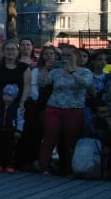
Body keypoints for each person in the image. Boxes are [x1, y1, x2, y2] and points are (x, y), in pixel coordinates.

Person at [37, 46, 92, 176]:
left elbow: (86, 84)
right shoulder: (56, 72)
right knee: (49, 137)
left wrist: (72, 72)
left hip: (74, 109)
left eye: (69, 56)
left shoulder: (85, 72)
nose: (66, 58)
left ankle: (70, 169)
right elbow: (42, 82)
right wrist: (46, 68)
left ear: (76, 57)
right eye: (64, 56)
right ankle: (44, 167)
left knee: (71, 140)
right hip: (54, 107)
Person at [0, 84, 24, 173]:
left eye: (9, 95)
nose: (6, 97)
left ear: (14, 97)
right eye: (4, 94)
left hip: (10, 131)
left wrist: (19, 130)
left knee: (10, 149)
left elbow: (20, 120)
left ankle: (10, 165)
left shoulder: (17, 108)